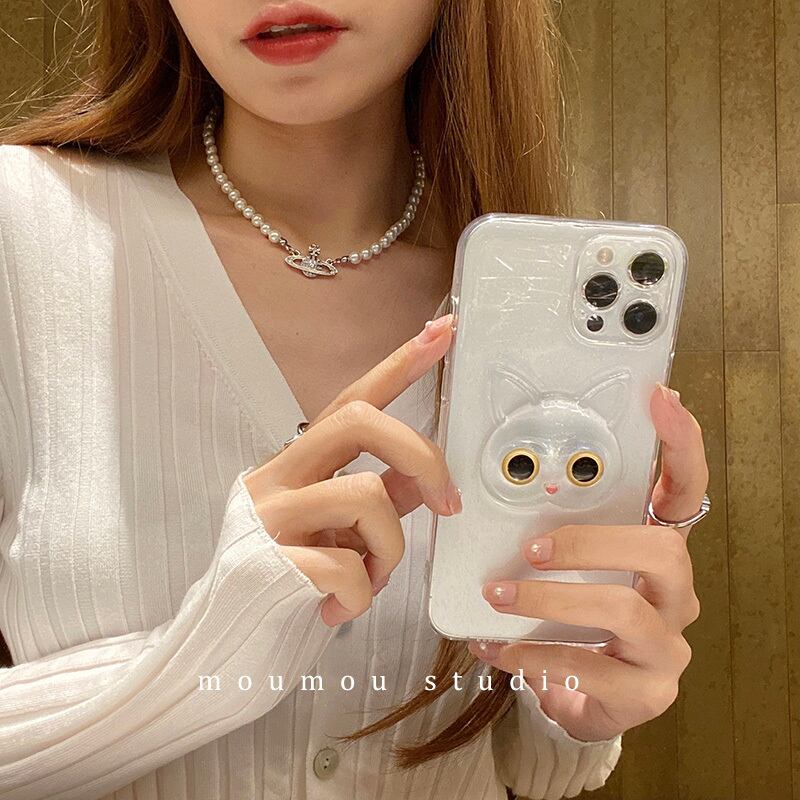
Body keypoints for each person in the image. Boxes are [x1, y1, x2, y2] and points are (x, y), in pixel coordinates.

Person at [0, 1, 710, 798]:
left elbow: (521, 766)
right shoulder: (22, 228)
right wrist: (218, 645)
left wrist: (579, 694)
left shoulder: (525, 308)